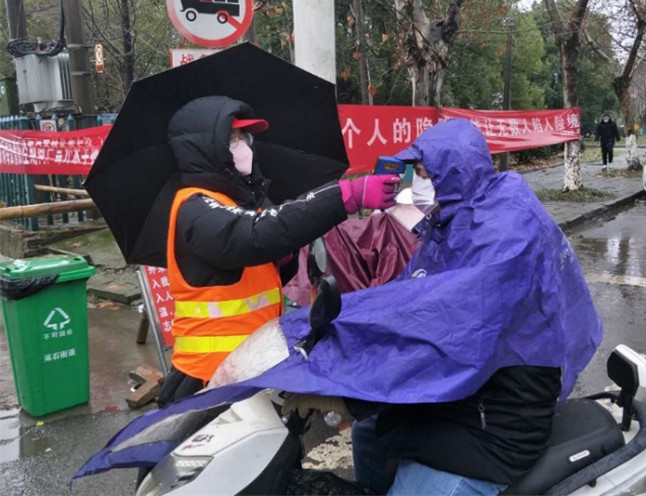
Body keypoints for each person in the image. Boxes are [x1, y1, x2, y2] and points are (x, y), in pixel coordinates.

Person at [284, 118, 602, 495]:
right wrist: (337, 341)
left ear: (454, 172)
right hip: (467, 391)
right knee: (370, 432)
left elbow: (446, 332)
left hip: (498, 415)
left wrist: (349, 394)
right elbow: (405, 301)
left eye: (424, 173)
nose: (418, 183)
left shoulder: (504, 233)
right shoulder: (459, 218)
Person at [159, 95, 400, 406]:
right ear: (206, 147)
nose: (243, 146)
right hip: (208, 378)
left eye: (244, 137)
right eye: (231, 139)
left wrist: (284, 260)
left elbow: (258, 261)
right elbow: (254, 236)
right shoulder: (196, 206)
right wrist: (345, 196)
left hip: (250, 365)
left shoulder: (241, 202)